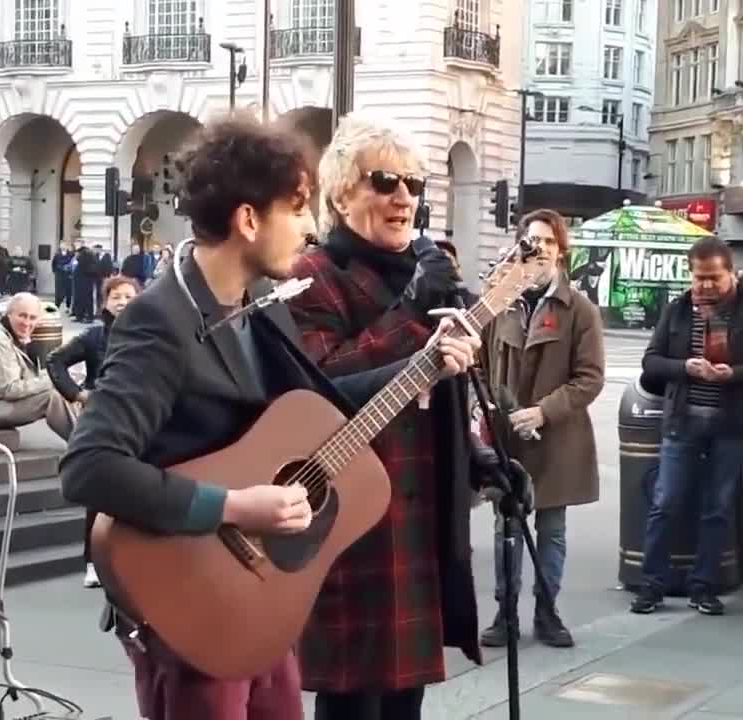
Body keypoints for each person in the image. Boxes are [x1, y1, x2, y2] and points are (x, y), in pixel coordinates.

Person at [60, 114, 479, 720]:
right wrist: (233, 507)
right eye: (297, 209)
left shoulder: (261, 306)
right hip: (191, 601)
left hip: (261, 599)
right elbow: (90, 468)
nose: (311, 228)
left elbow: (319, 410)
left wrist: (422, 367)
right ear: (249, 219)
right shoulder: (161, 319)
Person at [288, 114, 482, 719]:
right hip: (352, 524)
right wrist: (411, 313)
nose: (404, 198)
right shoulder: (312, 275)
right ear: (342, 192)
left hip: (419, 516)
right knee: (352, 705)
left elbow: (440, 393)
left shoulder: (428, 276)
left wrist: (480, 458)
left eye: (413, 184)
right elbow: (321, 386)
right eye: (384, 181)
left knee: (404, 703)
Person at [476, 209, 605, 647]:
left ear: (561, 252)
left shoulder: (578, 309)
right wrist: (485, 411)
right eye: (533, 241)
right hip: (507, 436)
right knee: (506, 529)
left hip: (556, 439)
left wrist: (543, 412)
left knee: (551, 529)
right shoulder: (498, 301)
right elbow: (479, 363)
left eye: (550, 242)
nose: (541, 250)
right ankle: (504, 613)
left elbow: (589, 378)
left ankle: (547, 612)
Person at [630, 236, 743, 615]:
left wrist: (734, 373)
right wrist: (684, 368)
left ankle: (704, 585)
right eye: (699, 277)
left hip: (732, 422)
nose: (707, 285)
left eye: (714, 277)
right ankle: (652, 584)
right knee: (666, 501)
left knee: (717, 507)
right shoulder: (678, 309)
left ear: (732, 273)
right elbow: (651, 361)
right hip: (683, 420)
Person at [46, 275, 141, 589]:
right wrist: (77, 393)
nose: (122, 302)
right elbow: (55, 361)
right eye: (116, 296)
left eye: (128, 296)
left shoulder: (148, 335)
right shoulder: (94, 336)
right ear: (105, 302)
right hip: (102, 420)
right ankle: (92, 561)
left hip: (140, 420)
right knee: (99, 491)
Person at [0, 292, 66, 433]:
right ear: (9, 314)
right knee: (52, 397)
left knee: (64, 390)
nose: (27, 323)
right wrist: (54, 380)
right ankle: (85, 446)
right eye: (22, 316)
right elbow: (10, 389)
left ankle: (89, 441)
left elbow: (25, 379)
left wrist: (60, 377)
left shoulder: (13, 336)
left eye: (32, 318)